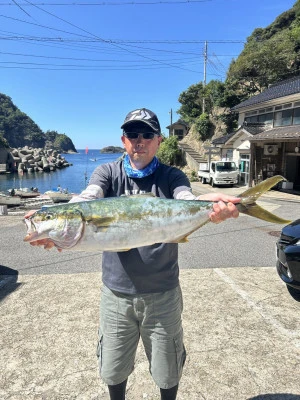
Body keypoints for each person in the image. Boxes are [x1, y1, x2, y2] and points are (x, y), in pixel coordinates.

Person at [27, 108, 240, 400]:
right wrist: (52, 224)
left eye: (147, 135)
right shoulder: (107, 172)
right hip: (116, 295)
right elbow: (88, 198)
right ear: (123, 140)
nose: (139, 141)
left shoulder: (172, 176)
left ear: (158, 140)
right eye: (132, 135)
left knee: (167, 370)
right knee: (113, 369)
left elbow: (186, 200)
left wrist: (210, 207)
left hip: (163, 294)